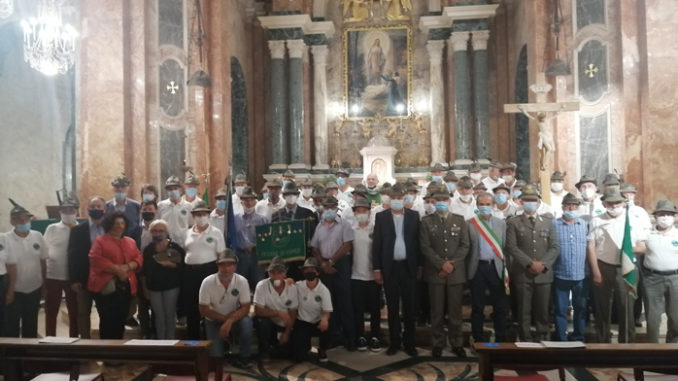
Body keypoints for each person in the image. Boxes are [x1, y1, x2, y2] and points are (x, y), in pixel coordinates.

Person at [420, 185, 470, 358]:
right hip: (435, 273)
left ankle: (457, 343)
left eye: (444, 200)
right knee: (437, 312)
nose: (441, 203)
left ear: (449, 201)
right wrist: (442, 264)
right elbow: (425, 247)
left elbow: (465, 245)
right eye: (438, 200)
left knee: (455, 312)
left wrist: (452, 264)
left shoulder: (459, 220)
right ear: (433, 201)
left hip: (455, 273)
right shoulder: (426, 221)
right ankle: (438, 343)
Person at [506, 184, 559, 342]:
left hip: (543, 273)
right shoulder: (514, 222)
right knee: (524, 310)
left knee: (543, 310)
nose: (530, 202)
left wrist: (543, 264)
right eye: (526, 200)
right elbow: (512, 247)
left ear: (538, 203)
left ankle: (544, 337)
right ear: (521, 202)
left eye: (533, 200)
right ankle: (525, 338)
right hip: (523, 273)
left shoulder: (548, 222)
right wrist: (530, 263)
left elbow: (555, 247)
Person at [372, 183, 420, 357]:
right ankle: (394, 342)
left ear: (405, 198)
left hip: (408, 267)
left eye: (400, 198)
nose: (397, 201)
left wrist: (419, 266)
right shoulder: (381, 217)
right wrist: (377, 268)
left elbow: (418, 243)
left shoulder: (414, 216)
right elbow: (377, 245)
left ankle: (410, 343)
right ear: (389, 199)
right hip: (389, 268)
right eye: (394, 198)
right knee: (392, 308)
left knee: (409, 307)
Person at [587, 188, 636, 343]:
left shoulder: (632, 219)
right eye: (610, 203)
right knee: (602, 308)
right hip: (603, 266)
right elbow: (591, 246)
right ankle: (603, 343)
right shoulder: (596, 220)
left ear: (623, 203)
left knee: (626, 308)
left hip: (625, 268)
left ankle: (627, 345)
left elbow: (643, 245)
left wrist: (628, 250)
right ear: (604, 204)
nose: (614, 206)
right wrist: (595, 271)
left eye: (617, 203)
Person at [88, 211, 143, 339]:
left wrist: (127, 267)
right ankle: (107, 353)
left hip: (125, 288)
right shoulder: (100, 241)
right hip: (107, 288)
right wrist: (117, 270)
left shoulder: (130, 241)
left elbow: (138, 258)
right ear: (110, 225)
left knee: (121, 320)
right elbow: (95, 259)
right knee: (107, 321)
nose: (119, 226)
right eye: (116, 223)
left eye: (122, 223)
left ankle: (118, 350)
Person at [311, 196, 355, 350]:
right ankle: (332, 337)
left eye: (332, 207)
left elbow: (347, 245)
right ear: (322, 208)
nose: (329, 210)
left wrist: (331, 262)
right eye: (326, 207)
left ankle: (350, 338)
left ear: (336, 208)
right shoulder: (319, 226)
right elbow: (314, 247)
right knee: (329, 303)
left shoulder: (344, 224)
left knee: (345, 302)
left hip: (340, 265)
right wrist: (323, 263)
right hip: (324, 265)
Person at [199, 249, 253, 367]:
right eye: (223, 265)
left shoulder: (242, 281)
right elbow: (203, 310)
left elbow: (246, 308)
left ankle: (245, 357)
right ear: (217, 266)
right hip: (213, 321)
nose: (226, 269)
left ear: (235, 266)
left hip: (234, 319)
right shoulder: (207, 282)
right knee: (216, 360)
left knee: (247, 323)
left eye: (230, 265)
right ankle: (223, 350)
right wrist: (226, 320)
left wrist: (229, 321)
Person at [467, 192, 508, 344]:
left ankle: (501, 339)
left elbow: (505, 248)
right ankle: (478, 339)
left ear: (493, 206)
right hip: (477, 268)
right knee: (477, 307)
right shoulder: (470, 223)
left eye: (488, 204)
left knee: (499, 307)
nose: (485, 207)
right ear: (477, 206)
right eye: (481, 204)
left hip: (495, 268)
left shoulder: (501, 224)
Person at [636, 200, 678, 343]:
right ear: (655, 217)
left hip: (675, 278)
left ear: (674, 217)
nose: (665, 217)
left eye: (669, 214)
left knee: (675, 317)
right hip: (652, 278)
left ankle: (672, 350)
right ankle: (653, 349)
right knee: (653, 317)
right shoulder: (648, 234)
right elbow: (637, 247)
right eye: (661, 214)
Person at [4, 200, 47, 338]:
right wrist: (9, 291)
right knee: (12, 325)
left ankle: (29, 354)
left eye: (26, 219)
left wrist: (44, 285)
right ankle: (13, 355)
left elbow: (43, 261)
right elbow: (7, 266)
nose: (23, 223)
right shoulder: (5, 239)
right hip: (14, 291)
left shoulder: (37, 236)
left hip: (34, 288)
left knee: (31, 323)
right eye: (19, 220)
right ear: (12, 222)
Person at [183, 201, 225, 340]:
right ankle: (193, 341)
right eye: (197, 214)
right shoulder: (188, 233)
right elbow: (185, 251)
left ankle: (212, 342)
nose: (201, 217)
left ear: (208, 215)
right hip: (190, 273)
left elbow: (221, 255)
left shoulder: (216, 233)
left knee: (210, 306)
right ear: (193, 216)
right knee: (192, 307)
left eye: (203, 214)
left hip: (209, 270)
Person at [552, 193, 591, 342]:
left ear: (578, 208)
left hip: (581, 275)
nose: (571, 209)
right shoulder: (554, 225)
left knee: (581, 308)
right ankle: (561, 338)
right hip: (560, 274)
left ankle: (578, 336)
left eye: (574, 206)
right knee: (560, 309)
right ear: (563, 208)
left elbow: (590, 248)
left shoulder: (584, 225)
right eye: (568, 206)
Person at [68, 196, 106, 338]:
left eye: (99, 207)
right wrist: (74, 279)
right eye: (93, 207)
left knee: (105, 313)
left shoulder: (111, 228)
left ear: (104, 209)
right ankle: (85, 344)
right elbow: (72, 256)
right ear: (87, 209)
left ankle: (104, 345)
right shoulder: (78, 230)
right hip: (84, 279)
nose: (96, 209)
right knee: (83, 313)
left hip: (105, 278)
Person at [43, 195, 80, 337]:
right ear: (60, 212)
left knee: (74, 312)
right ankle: (50, 340)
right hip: (53, 276)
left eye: (71, 210)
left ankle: (74, 341)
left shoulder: (81, 229)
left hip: (73, 278)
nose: (68, 213)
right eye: (65, 210)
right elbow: (44, 251)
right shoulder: (52, 228)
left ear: (77, 211)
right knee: (51, 311)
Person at [142, 219, 184, 339]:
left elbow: (183, 268)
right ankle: (161, 343)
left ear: (166, 232)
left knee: (170, 315)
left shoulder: (175, 247)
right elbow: (144, 271)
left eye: (161, 231)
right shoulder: (148, 249)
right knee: (158, 316)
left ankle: (170, 342)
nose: (158, 233)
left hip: (171, 286)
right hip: (154, 288)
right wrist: (145, 288)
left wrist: (172, 265)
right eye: (154, 231)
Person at [350, 197, 382, 352]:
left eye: (364, 211)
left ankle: (375, 336)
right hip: (356, 275)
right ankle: (361, 335)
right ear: (354, 213)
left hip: (372, 276)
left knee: (375, 308)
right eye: (358, 211)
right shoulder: (351, 230)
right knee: (358, 308)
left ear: (369, 212)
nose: (361, 213)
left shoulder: (375, 229)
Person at [253, 257, 298, 361]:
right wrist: (279, 313)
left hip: (285, 324)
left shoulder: (292, 287)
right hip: (270, 323)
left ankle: (278, 346)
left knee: (291, 353)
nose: (276, 276)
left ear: (285, 273)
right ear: (268, 273)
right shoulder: (262, 286)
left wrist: (287, 332)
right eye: (273, 272)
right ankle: (264, 350)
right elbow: (258, 310)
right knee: (261, 321)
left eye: (280, 272)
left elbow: (293, 312)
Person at [272, 182, 318, 280]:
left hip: (302, 259)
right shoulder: (276, 215)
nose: (291, 196)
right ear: (284, 196)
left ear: (297, 196)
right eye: (288, 194)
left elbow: (314, 236)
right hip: (283, 259)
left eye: (293, 194)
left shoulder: (308, 214)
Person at [291, 258, 332, 362]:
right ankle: (305, 347)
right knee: (298, 356)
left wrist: (325, 319)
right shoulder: (298, 286)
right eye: (307, 270)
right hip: (302, 322)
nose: (309, 272)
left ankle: (322, 349)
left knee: (326, 325)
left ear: (317, 272)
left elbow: (327, 311)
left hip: (317, 322)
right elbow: (288, 284)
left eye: (312, 270)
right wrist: (288, 280)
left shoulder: (324, 290)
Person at [233, 187, 268, 291]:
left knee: (259, 285)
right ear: (241, 202)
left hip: (257, 256)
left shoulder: (262, 220)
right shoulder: (234, 219)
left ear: (255, 201)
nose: (248, 202)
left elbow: (266, 241)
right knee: (240, 286)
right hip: (240, 256)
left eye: (251, 200)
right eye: (246, 200)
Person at [157, 175, 193, 245]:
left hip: (183, 244)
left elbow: (191, 226)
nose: (173, 191)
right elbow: (157, 225)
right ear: (167, 190)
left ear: (180, 189)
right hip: (164, 244)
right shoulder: (161, 205)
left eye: (175, 188)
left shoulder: (188, 206)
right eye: (170, 189)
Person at [106, 173, 141, 239]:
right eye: (117, 187)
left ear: (128, 188)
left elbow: (138, 226)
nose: (120, 189)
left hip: (131, 242)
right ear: (113, 188)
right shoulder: (106, 206)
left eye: (123, 187)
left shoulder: (136, 206)